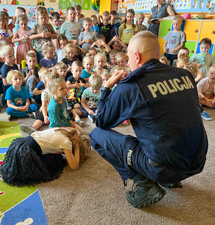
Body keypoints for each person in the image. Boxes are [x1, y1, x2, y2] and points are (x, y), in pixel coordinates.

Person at [89, 31, 208, 208]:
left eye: (129, 58)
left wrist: (106, 88)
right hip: (197, 162)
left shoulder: (132, 85)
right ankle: (171, 178)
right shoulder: (184, 75)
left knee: (96, 135)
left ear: (136, 56)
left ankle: (145, 186)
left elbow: (102, 121)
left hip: (163, 167)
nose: (128, 63)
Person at [0, 127, 91, 186]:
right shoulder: (66, 143)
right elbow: (74, 166)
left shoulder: (60, 130)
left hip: (21, 143)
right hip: (26, 154)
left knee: (55, 157)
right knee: (50, 167)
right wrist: (76, 147)